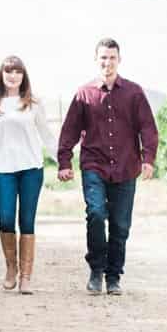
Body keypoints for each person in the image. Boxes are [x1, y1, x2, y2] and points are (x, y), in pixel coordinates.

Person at [57, 38, 158, 296]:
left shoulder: (134, 93)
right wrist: (64, 161)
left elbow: (147, 126)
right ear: (96, 60)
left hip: (126, 166)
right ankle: (95, 271)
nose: (107, 62)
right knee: (96, 213)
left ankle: (113, 277)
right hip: (94, 164)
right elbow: (69, 130)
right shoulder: (84, 94)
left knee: (120, 224)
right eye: (103, 58)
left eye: (112, 58)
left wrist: (148, 158)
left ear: (119, 60)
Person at [0, 56, 57, 294]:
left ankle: (26, 277)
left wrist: (62, 160)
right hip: (4, 170)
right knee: (5, 219)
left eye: (17, 72)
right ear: (1, 75)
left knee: (27, 221)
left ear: (24, 76)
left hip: (31, 168)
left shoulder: (33, 103)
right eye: (8, 72)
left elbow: (46, 134)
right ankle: (11, 268)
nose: (13, 76)